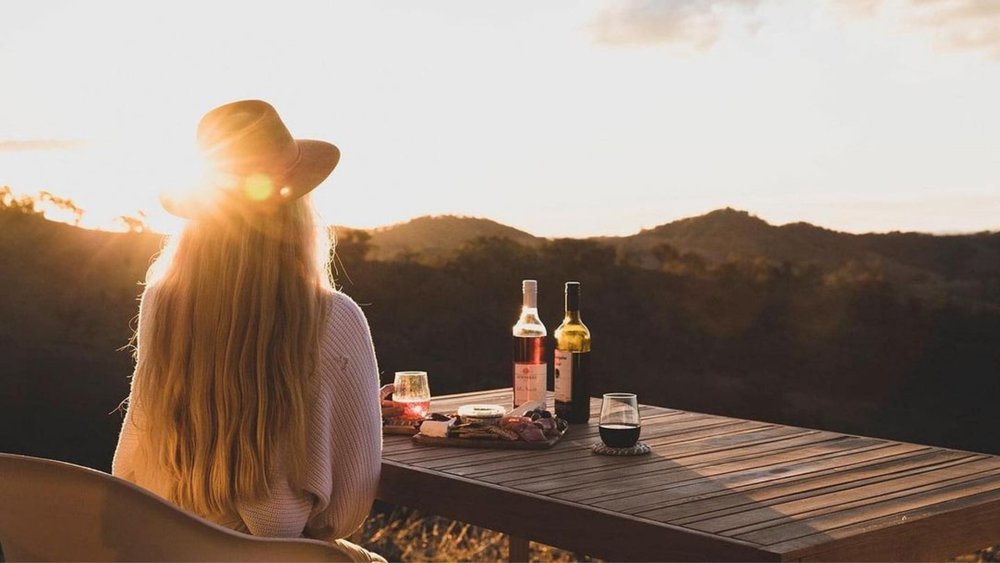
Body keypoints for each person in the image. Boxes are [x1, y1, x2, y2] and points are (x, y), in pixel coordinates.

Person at [112, 99, 393, 562]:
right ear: (297, 210)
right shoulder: (334, 319)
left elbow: (132, 465)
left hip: (165, 548)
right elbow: (346, 508)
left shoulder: (163, 304)